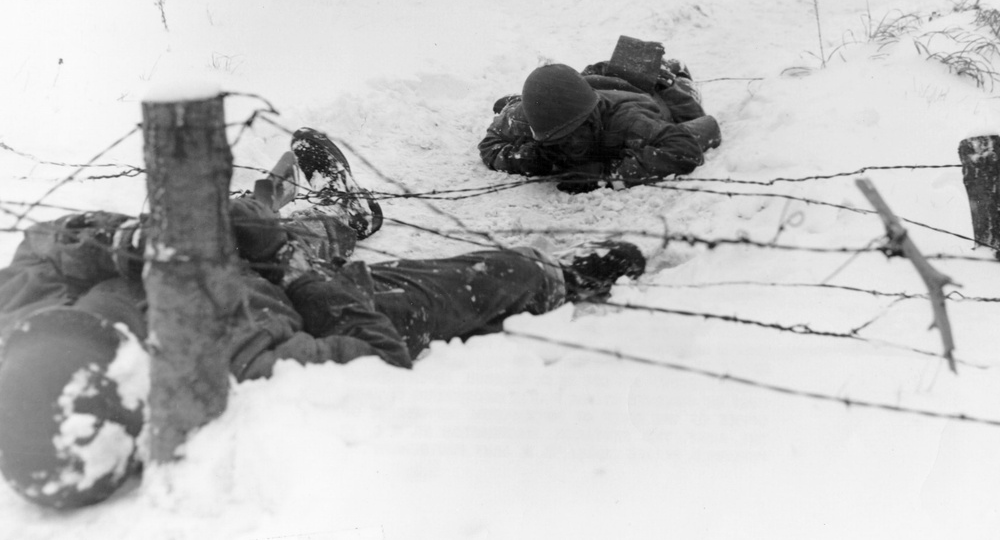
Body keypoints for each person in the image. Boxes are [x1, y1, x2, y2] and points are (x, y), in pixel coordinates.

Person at [0, 127, 645, 510]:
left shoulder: (22, 314)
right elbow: (375, 354)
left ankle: (341, 217)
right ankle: (560, 278)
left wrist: (122, 242)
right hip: (299, 293)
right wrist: (302, 271)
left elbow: (46, 240)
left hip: (219, 258)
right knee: (496, 276)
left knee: (240, 216)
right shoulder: (229, 365)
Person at [478, 48, 722, 193]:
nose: (570, 147)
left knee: (680, 89)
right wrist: (530, 159)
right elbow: (491, 143)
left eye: (576, 134)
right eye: (559, 141)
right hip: (592, 84)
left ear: (592, 120)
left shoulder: (628, 120)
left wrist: (605, 173)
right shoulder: (531, 118)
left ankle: (671, 68)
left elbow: (685, 149)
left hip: (645, 95)